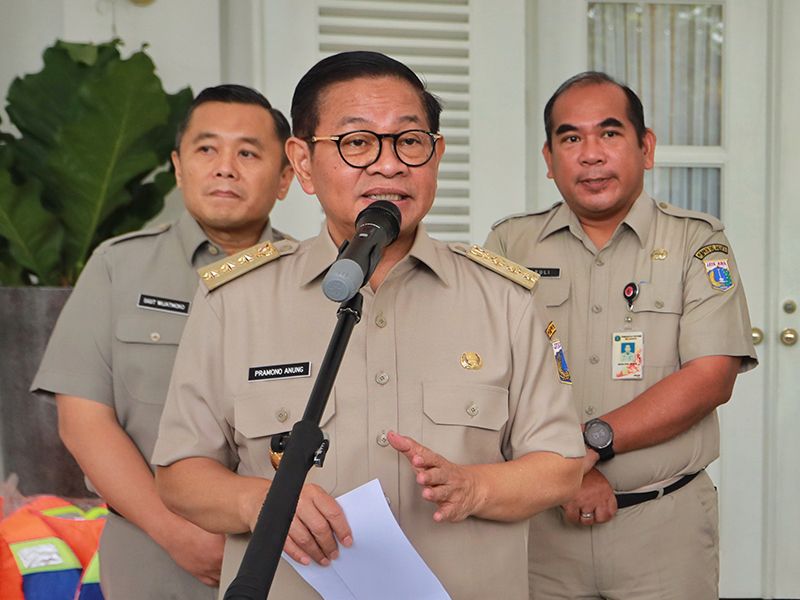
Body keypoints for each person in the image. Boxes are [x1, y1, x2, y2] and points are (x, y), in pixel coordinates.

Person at [152, 51, 585, 600]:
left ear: (436, 155)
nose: (389, 165)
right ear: (303, 163)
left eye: (410, 141)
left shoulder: (505, 299)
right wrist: (256, 500)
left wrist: (475, 487)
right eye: (357, 143)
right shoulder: (234, 302)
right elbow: (180, 473)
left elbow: (561, 465)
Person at [484, 71, 758, 600]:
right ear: (549, 158)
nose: (590, 154)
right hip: (539, 530)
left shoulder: (698, 244)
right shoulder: (509, 244)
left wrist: (587, 449)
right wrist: (563, 474)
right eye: (571, 138)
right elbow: (490, 378)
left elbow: (710, 378)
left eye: (609, 134)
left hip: (663, 528)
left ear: (646, 147)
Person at [30, 84, 295, 600]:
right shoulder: (118, 266)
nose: (225, 167)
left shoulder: (318, 280)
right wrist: (177, 534)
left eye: (247, 152)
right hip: (150, 558)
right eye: (206, 149)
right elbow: (83, 420)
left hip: (285, 562)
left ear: (286, 176)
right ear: (178, 167)